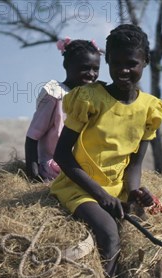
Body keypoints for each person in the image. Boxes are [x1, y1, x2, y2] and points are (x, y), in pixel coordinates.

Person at [51, 24, 162, 278]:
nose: (123, 70)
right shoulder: (90, 98)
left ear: (145, 61)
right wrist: (100, 194)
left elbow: (133, 164)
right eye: (116, 63)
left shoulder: (149, 109)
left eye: (131, 63)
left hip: (114, 191)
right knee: (109, 234)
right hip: (78, 186)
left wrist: (134, 193)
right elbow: (62, 156)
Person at [25, 38, 101, 182]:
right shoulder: (55, 93)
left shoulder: (94, 97)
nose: (91, 74)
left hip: (81, 168)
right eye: (84, 68)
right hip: (54, 169)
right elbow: (32, 137)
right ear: (67, 65)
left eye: (95, 69)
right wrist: (33, 176)